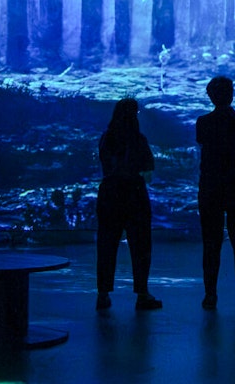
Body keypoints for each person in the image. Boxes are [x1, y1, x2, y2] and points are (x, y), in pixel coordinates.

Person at [196, 75, 235, 310]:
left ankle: (210, 294)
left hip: (211, 187)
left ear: (211, 96)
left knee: (211, 243)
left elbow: (203, 145)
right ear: (231, 95)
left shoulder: (203, 123)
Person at [95, 97, 163, 311]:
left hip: (109, 193)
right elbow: (148, 173)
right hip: (134, 193)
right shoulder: (138, 140)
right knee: (140, 245)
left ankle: (103, 294)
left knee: (107, 245)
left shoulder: (106, 138)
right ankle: (142, 293)